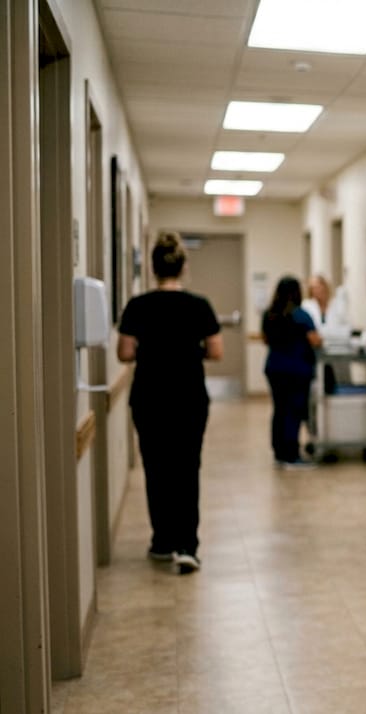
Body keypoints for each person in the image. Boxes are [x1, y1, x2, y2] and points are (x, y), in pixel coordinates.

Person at [117, 232, 222, 575]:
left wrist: (153, 349)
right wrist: (189, 350)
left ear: (153, 268)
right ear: (183, 267)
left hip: (149, 398)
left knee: (156, 467)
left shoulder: (137, 306)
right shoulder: (199, 306)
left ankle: (162, 540)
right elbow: (216, 351)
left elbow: (125, 352)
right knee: (187, 468)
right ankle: (187, 545)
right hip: (189, 398)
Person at [262, 276, 322, 470]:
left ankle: (279, 452)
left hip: (274, 368)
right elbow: (315, 340)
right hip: (296, 370)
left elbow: (265, 339)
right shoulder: (301, 315)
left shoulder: (269, 314)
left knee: (279, 409)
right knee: (293, 412)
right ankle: (291, 455)